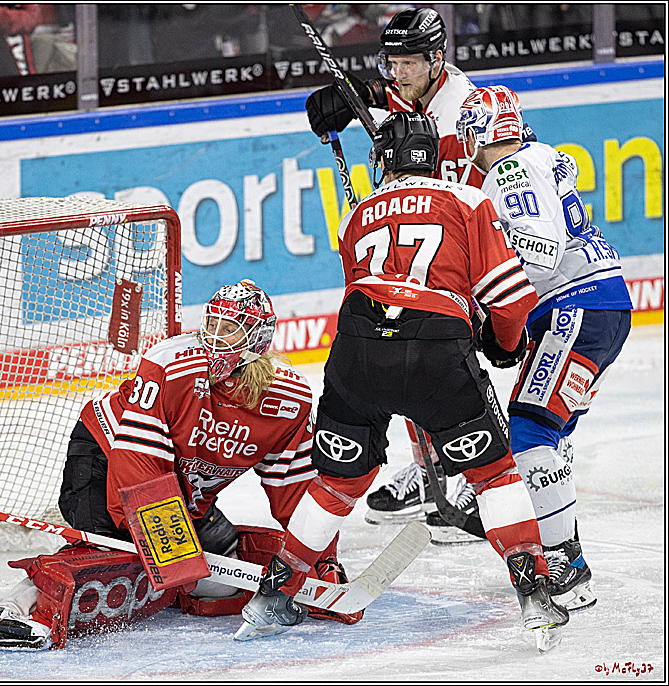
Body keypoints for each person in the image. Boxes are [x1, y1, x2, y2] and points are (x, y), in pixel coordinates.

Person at [236, 111, 569, 649]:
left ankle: (275, 592)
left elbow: (364, 291)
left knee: (336, 483)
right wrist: (503, 347)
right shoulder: (468, 199)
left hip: (356, 350)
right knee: (494, 477)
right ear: (435, 156)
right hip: (437, 349)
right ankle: (534, 593)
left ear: (381, 160)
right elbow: (509, 299)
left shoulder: (354, 216)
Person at [0, 280, 360, 650]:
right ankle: (10, 614)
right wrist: (163, 539)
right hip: (106, 458)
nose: (214, 339)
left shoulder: (288, 399)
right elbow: (137, 459)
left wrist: (318, 560)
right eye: (211, 325)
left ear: (256, 339)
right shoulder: (170, 363)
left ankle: (167, 573)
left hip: (181, 489)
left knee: (221, 578)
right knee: (115, 562)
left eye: (229, 330)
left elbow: (294, 488)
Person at [304, 7, 523, 537]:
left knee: (470, 361)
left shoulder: (466, 108)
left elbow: (499, 178)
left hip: (484, 237)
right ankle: (435, 467)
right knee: (405, 344)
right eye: (390, 61)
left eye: (407, 62)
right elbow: (386, 101)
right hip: (436, 246)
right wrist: (352, 97)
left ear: (437, 60)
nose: (396, 72)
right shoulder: (403, 89)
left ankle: (472, 470)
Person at [455, 85, 634, 611]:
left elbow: (543, 249)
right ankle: (547, 525)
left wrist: (483, 292)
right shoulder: (536, 159)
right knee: (547, 433)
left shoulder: (508, 171)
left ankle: (566, 561)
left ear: (480, 133)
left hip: (575, 305)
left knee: (532, 428)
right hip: (597, 306)